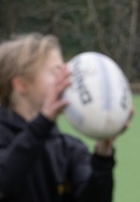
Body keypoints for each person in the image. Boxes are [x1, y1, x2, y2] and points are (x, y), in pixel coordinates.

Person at [0, 33, 132, 202]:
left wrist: (103, 155)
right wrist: (42, 123)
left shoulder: (69, 148)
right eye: (57, 72)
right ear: (22, 85)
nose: (68, 79)